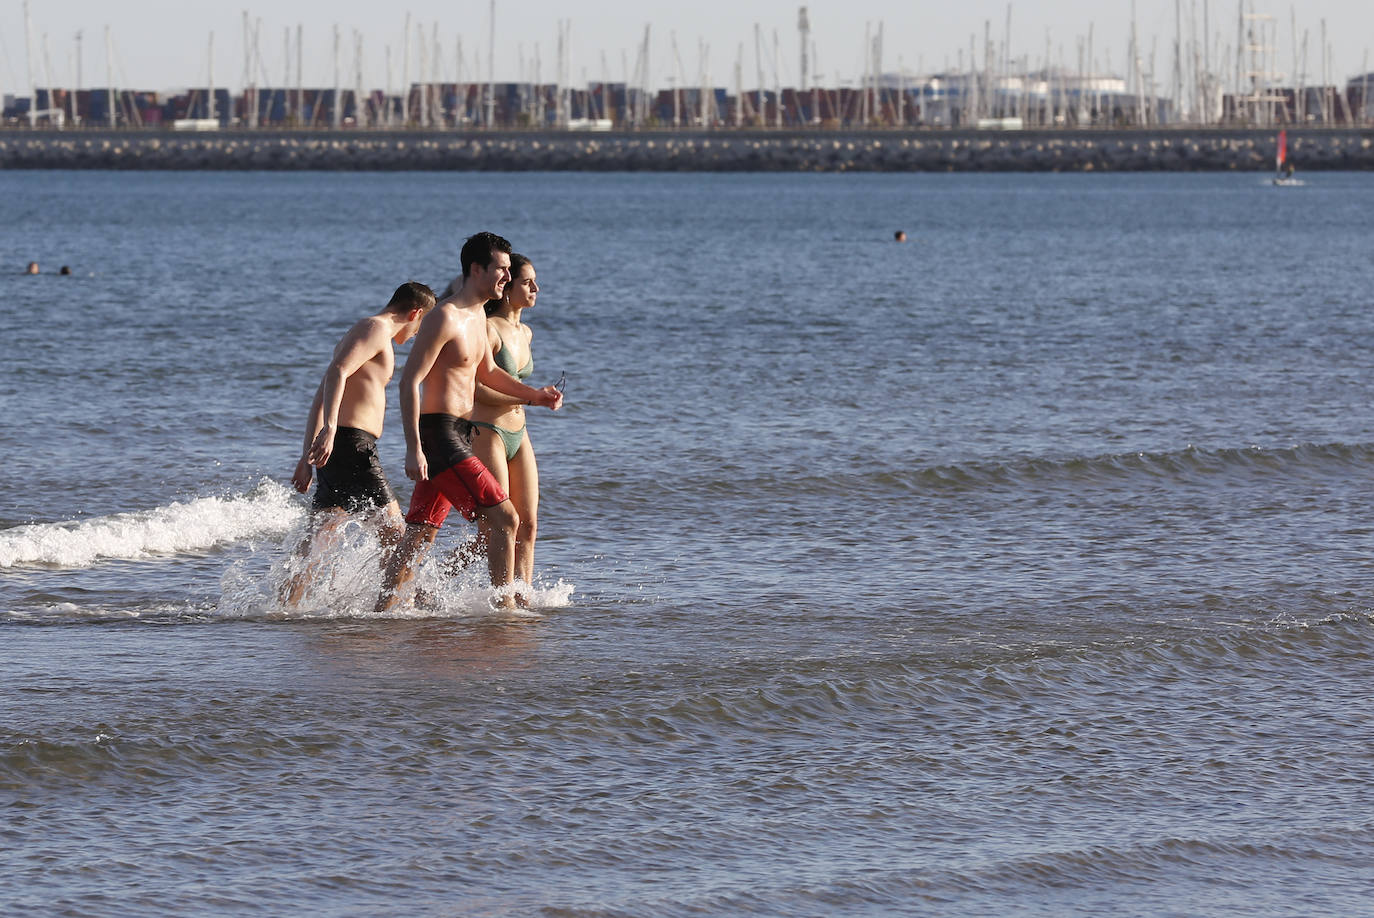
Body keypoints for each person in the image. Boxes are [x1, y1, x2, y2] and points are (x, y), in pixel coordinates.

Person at [376, 232, 563, 612]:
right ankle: (504, 611)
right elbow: (410, 381)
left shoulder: (479, 316)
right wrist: (414, 447)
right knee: (505, 519)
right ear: (476, 269)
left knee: (420, 535)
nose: (506, 279)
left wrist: (535, 396)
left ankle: (380, 613)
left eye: (510, 271)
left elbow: (490, 372)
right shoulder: (444, 316)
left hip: (461, 431)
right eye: (501, 270)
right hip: (440, 435)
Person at [282, 281, 436, 604]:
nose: (416, 335)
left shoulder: (367, 332)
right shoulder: (375, 329)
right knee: (399, 540)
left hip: (339, 448)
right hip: (353, 448)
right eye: (420, 326)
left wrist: (306, 454)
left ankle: (281, 610)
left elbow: (321, 393)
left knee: (315, 545)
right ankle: (405, 609)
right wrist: (330, 429)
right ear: (415, 313)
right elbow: (337, 371)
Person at [464, 253, 546, 601]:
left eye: (535, 282)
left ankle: (522, 599)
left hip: (519, 432)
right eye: (527, 282)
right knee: (498, 527)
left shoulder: (525, 332)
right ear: (508, 287)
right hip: (488, 430)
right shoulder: (487, 327)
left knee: (527, 526)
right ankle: (503, 603)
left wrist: (532, 400)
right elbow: (475, 387)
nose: (535, 288)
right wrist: (529, 398)